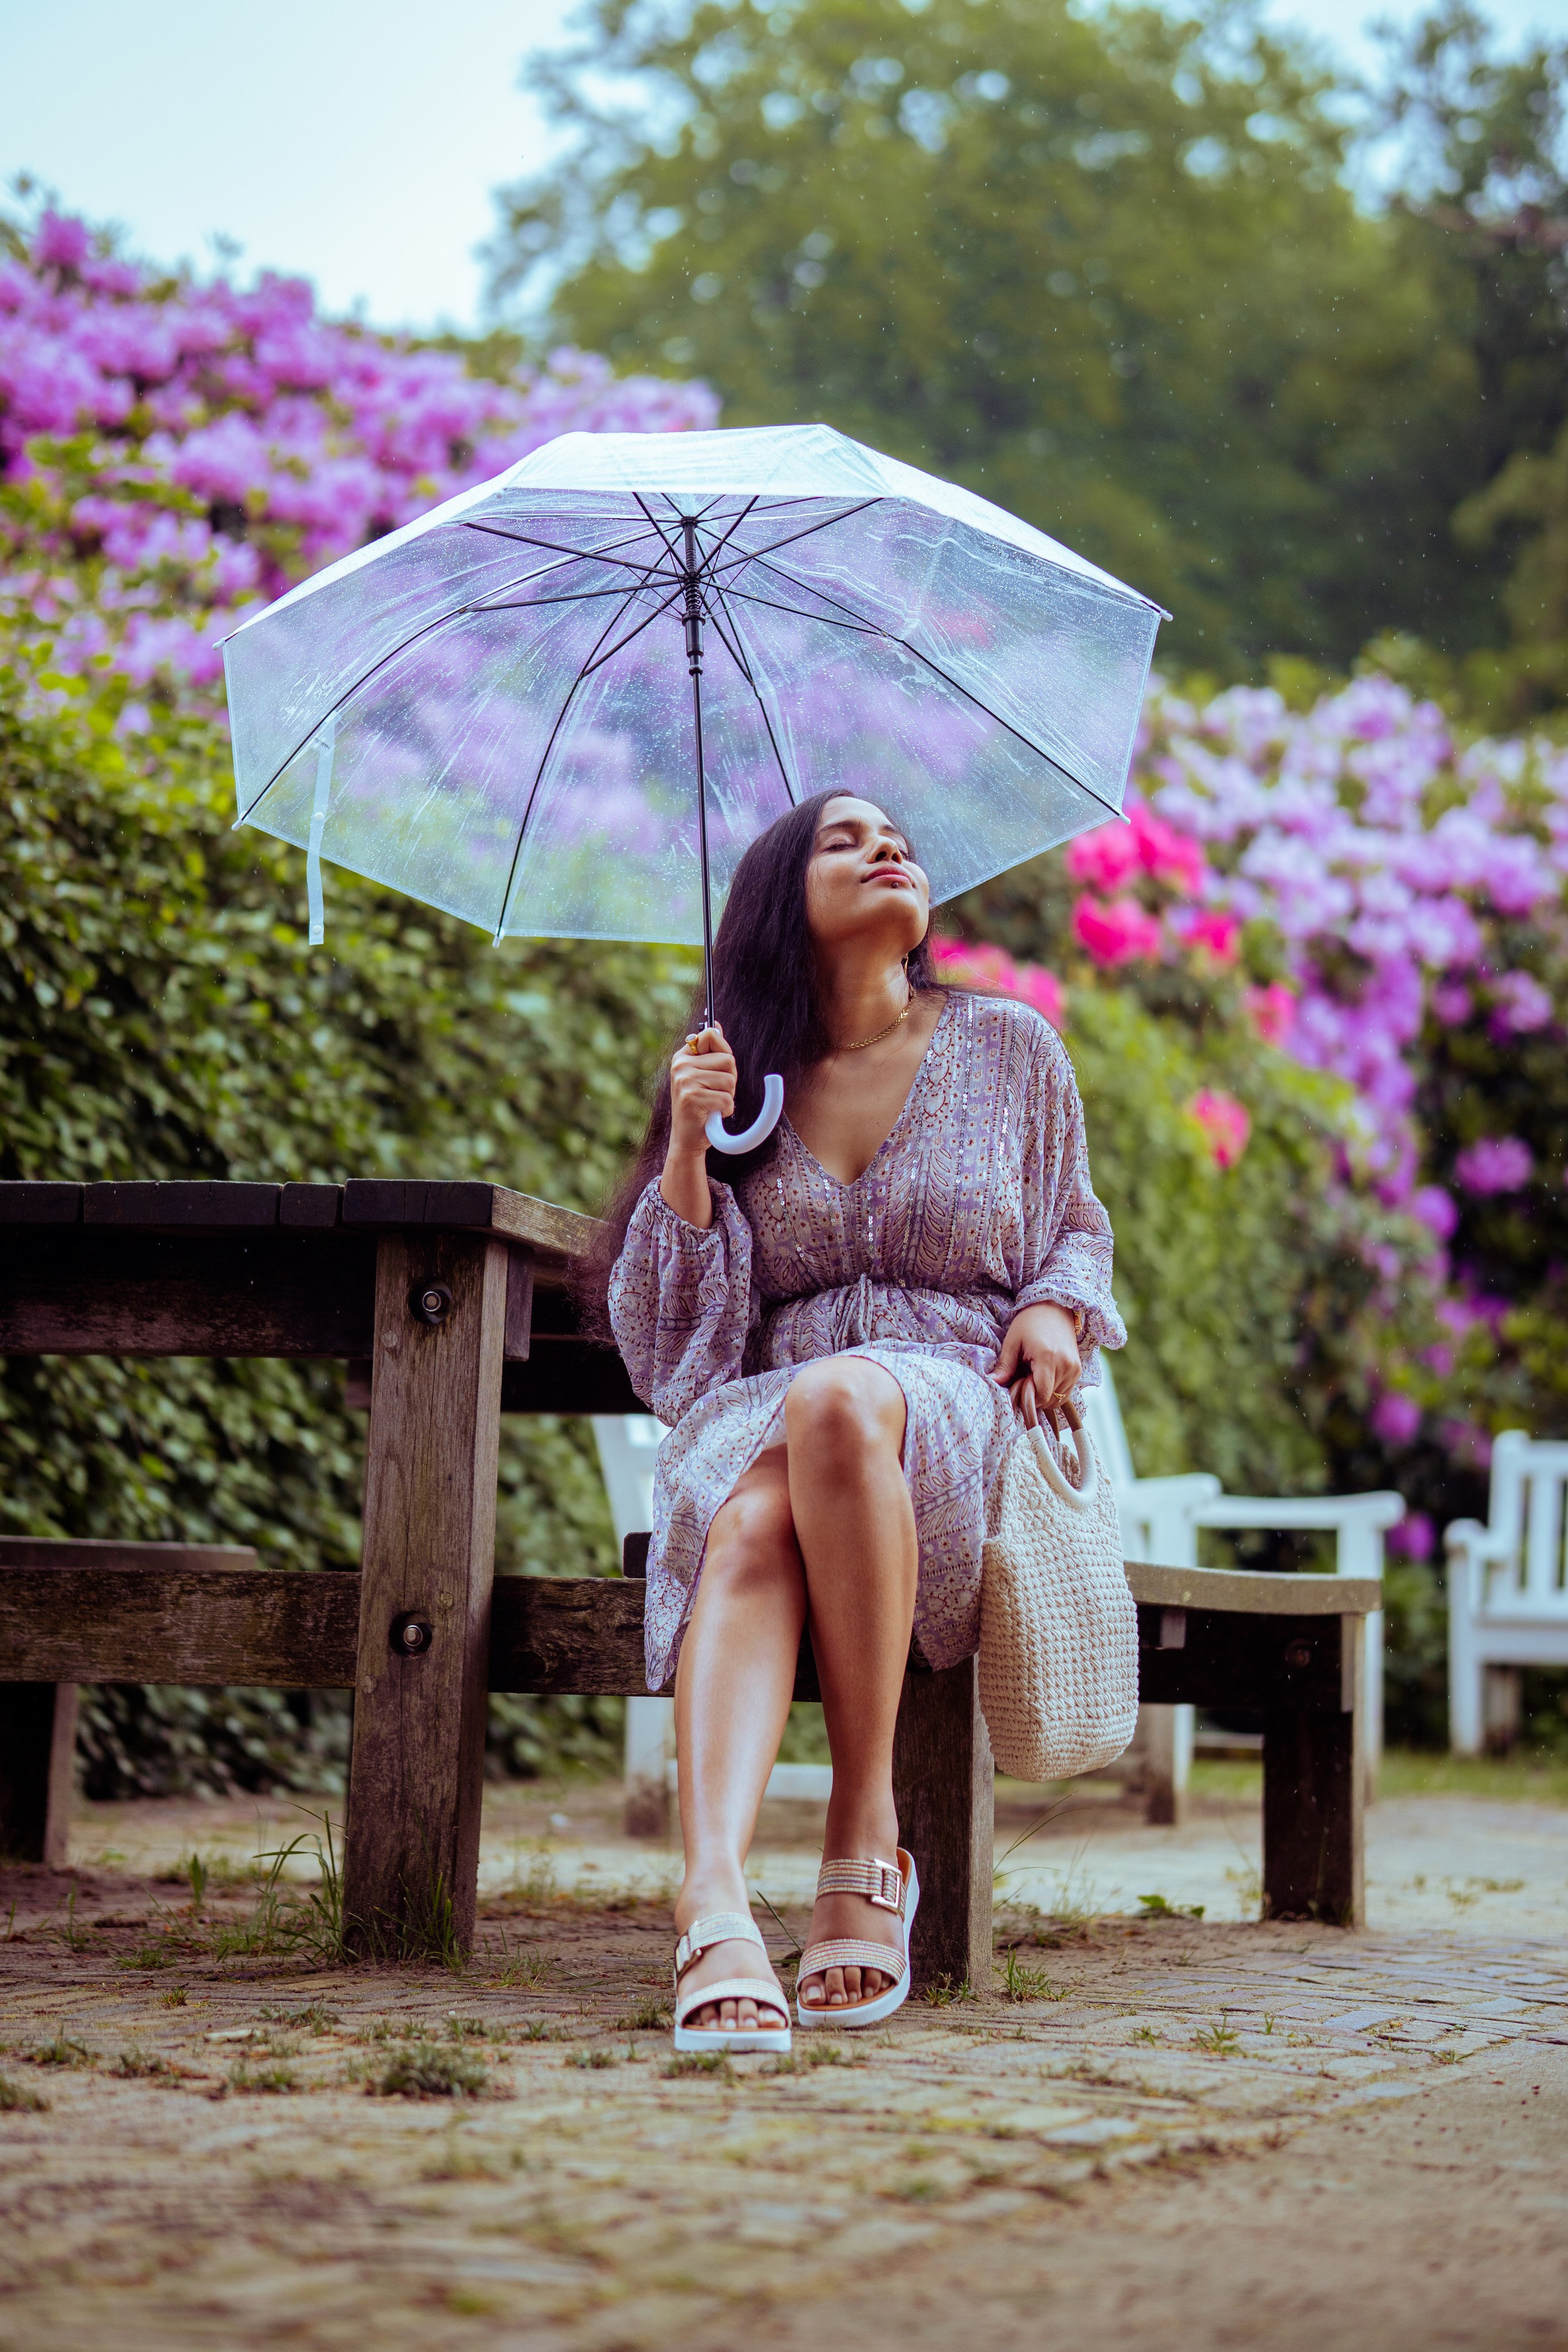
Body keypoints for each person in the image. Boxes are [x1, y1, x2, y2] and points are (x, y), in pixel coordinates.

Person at [600, 790, 1125, 2050]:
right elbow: (673, 1353)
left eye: (892, 835)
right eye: (842, 839)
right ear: (783, 904)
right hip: (765, 1414)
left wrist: (1055, 1309)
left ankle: (858, 1824)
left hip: (951, 1415)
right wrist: (686, 1147)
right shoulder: (740, 1087)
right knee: (749, 1520)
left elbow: (1075, 1228)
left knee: (839, 1405)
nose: (885, 846)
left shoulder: (1012, 1049)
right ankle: (714, 1902)